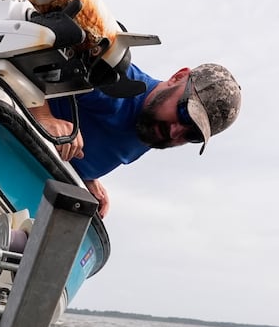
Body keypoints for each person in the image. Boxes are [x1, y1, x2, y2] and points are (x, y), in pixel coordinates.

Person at [28, 61, 242, 218]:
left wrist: (84, 175)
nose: (176, 132)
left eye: (192, 133)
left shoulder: (154, 128)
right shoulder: (112, 81)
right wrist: (43, 116)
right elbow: (27, 59)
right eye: (184, 112)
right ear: (177, 77)